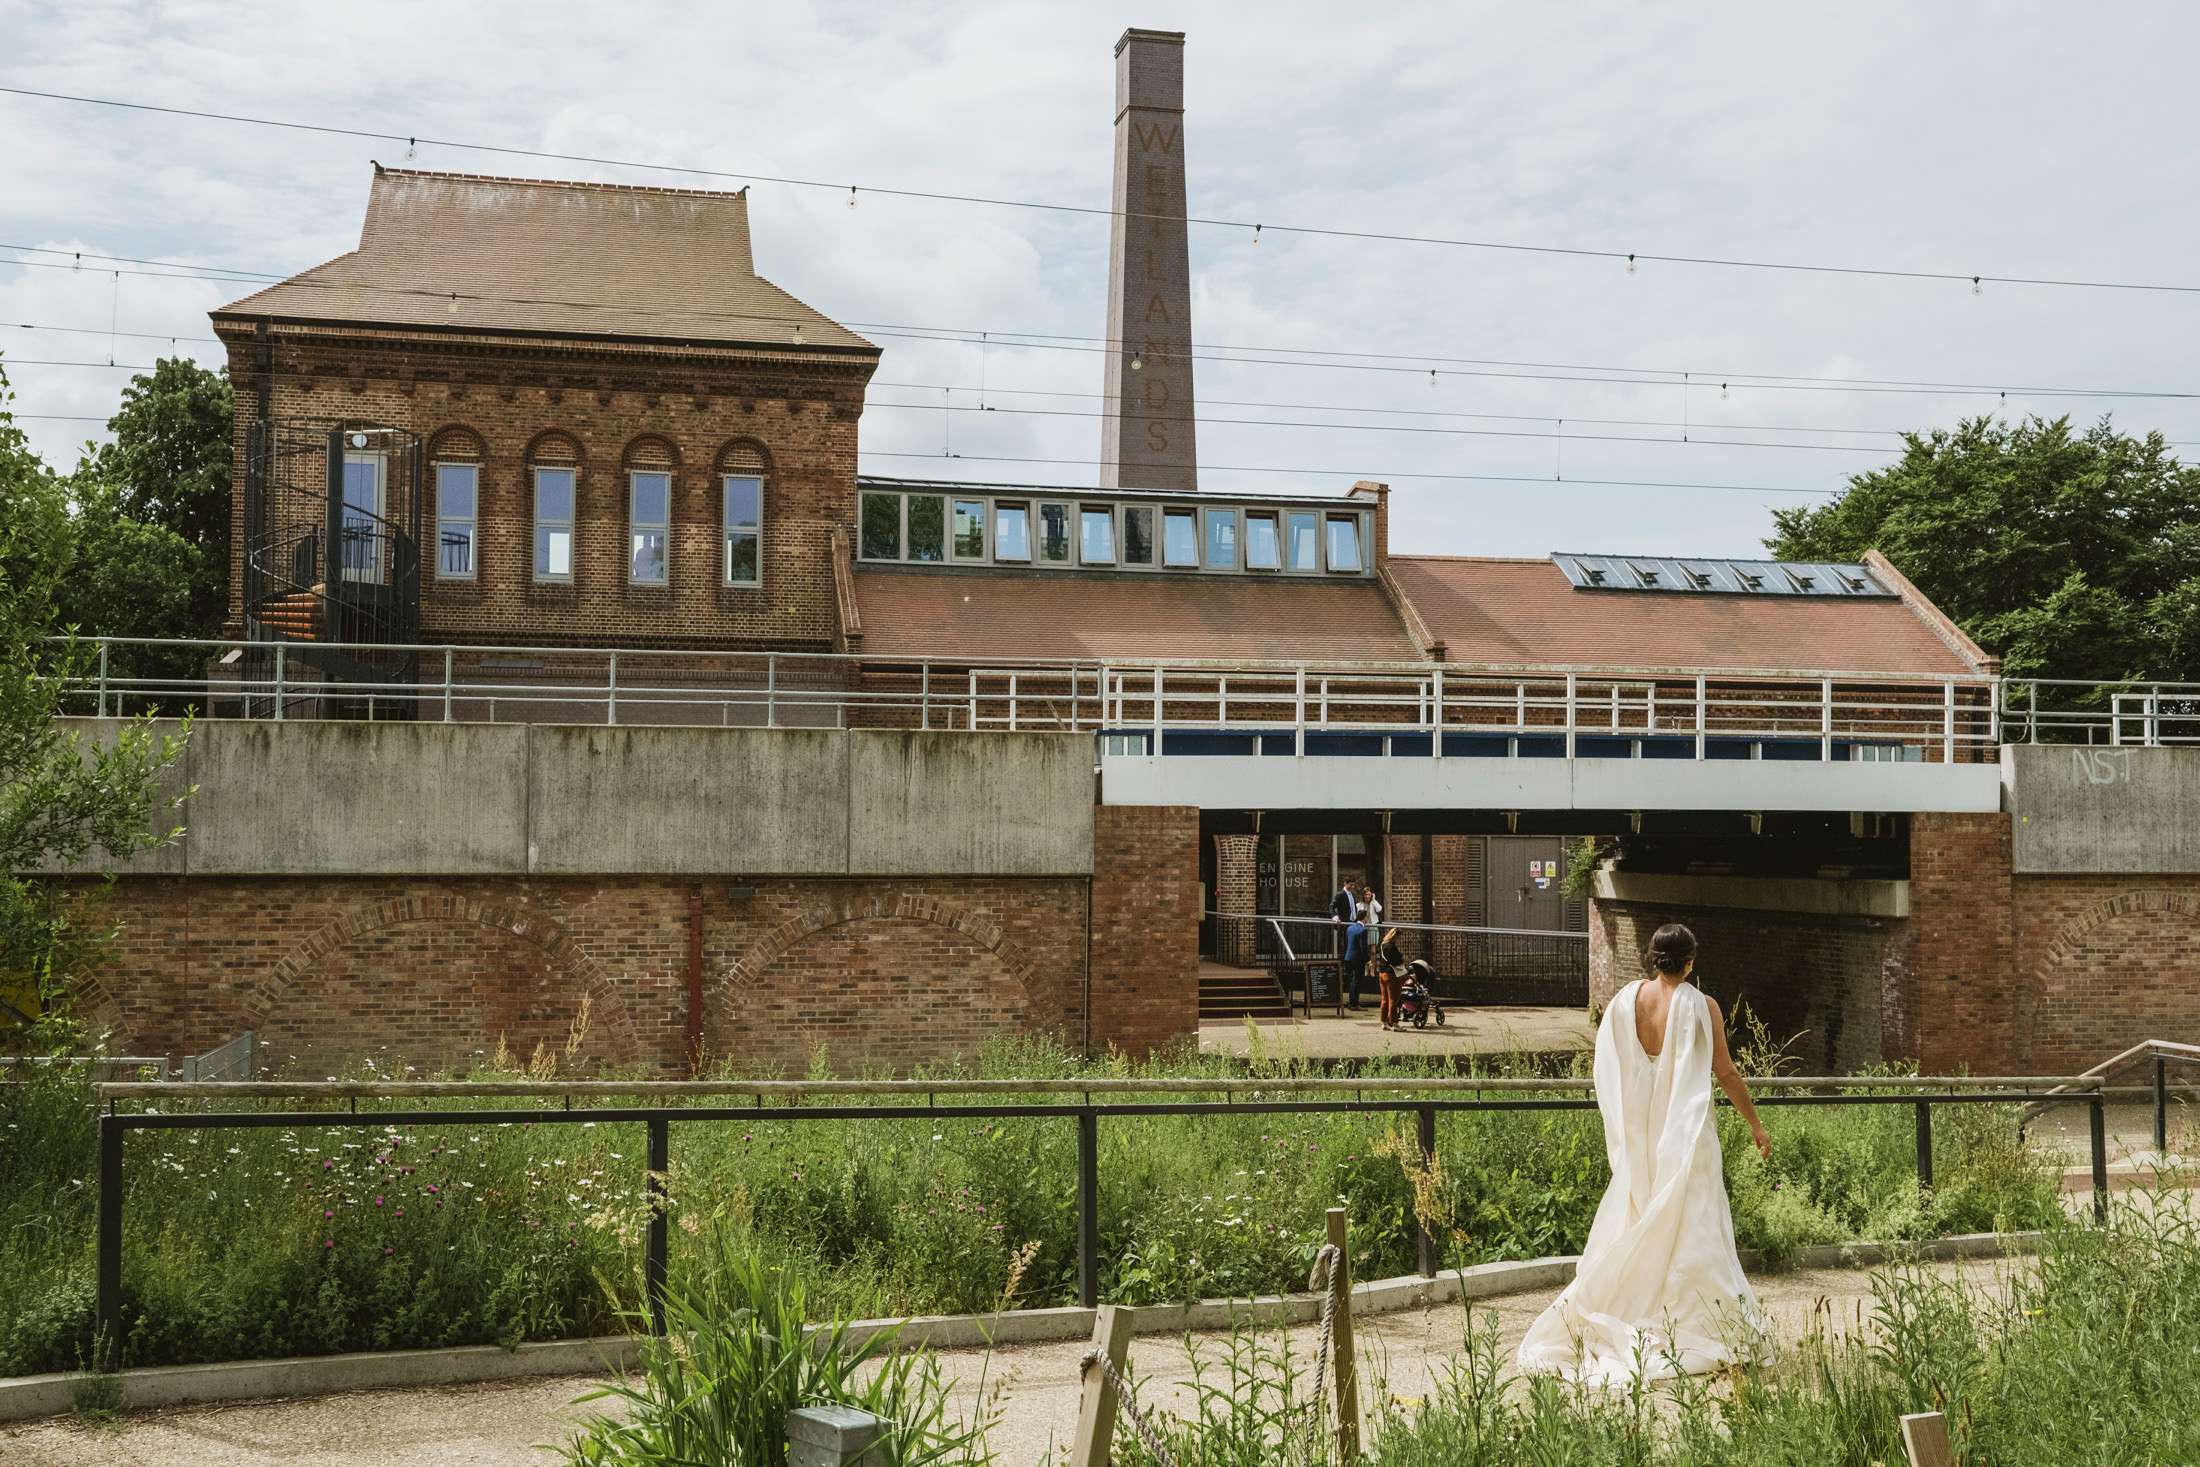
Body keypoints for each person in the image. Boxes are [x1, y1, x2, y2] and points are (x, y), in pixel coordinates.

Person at [1516, 923, 1771, 1383]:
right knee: (1694, 1224)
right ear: (1691, 960)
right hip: (1685, 1135)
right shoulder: (1702, 1005)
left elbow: (1607, 1066)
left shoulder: (1624, 1002)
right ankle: (1696, 1320)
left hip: (1641, 1139)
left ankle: (1632, 1306)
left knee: (1639, 1219)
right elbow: (1726, 1073)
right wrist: (1755, 1124)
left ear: (1654, 958)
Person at [1330, 878, 1360, 1007]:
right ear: (1345, 884)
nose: (1352, 887)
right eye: (1350, 884)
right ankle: (1347, 963)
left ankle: (1349, 963)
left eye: (1353, 885)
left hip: (1351, 923)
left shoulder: (1351, 894)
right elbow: (1332, 906)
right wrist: (1336, 918)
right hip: (1345, 925)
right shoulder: (1341, 894)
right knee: (1347, 946)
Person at [1375, 927, 1403, 1029]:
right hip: (1391, 975)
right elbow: (1396, 961)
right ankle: (1394, 1023)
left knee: (1384, 999)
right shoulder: (1392, 947)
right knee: (1393, 999)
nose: (1399, 941)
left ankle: (1384, 1022)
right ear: (1394, 936)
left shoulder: (1383, 946)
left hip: (1382, 974)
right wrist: (1402, 958)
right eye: (1398, 938)